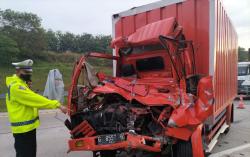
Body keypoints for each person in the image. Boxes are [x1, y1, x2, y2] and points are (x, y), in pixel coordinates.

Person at [5, 59, 67, 157]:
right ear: (17, 71)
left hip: (28, 129)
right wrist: (57, 104)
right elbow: (35, 99)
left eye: (29, 72)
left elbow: (31, 99)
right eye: (25, 72)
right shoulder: (16, 87)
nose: (28, 74)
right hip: (23, 130)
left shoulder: (22, 84)